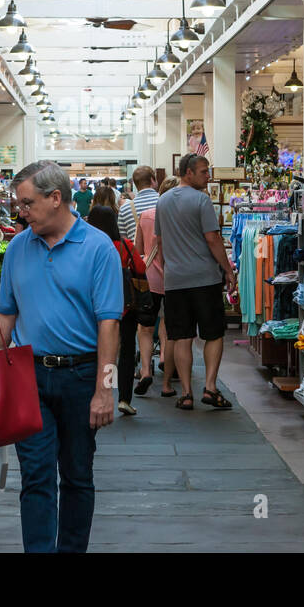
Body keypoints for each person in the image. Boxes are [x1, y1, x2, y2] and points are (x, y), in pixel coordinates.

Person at [0, 160, 122, 552]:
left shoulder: (98, 248)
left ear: (55, 198)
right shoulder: (18, 247)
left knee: (77, 475)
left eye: (27, 203)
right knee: (35, 475)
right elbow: (4, 316)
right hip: (28, 375)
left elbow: (110, 326)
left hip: (82, 377)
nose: (21, 211)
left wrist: (106, 390)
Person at [155, 154, 237, 411]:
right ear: (188, 173)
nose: (208, 177)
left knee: (181, 336)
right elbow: (212, 238)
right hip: (204, 278)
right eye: (203, 172)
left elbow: (159, 241)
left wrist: (169, 269)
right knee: (213, 333)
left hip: (176, 280)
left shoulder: (163, 201)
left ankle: (187, 393)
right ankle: (210, 388)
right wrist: (228, 269)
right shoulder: (202, 200)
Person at [86, 204, 147, 417]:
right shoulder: (125, 246)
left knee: (100, 352)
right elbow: (140, 268)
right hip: (126, 306)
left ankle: (102, 390)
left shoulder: (87, 246)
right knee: (127, 353)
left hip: (95, 307)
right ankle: (123, 398)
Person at [135, 176, 178, 397]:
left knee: (145, 327)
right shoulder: (180, 217)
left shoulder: (146, 216)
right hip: (174, 276)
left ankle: (144, 371)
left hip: (150, 275)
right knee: (168, 326)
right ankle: (167, 381)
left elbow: (138, 249)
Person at [119, 165, 158, 241]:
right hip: (161, 251)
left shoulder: (124, 209)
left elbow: (124, 242)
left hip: (136, 252)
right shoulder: (165, 202)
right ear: (152, 180)